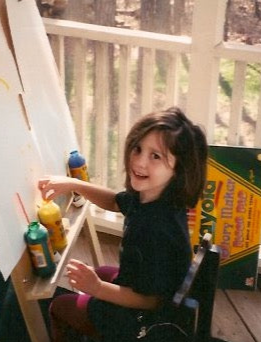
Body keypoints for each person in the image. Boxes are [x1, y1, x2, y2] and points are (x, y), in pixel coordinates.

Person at [38, 106, 208, 342]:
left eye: (155, 156)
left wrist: (97, 289)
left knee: (59, 307)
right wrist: (73, 184)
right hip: (146, 285)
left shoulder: (155, 229)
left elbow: (152, 300)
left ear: (179, 169)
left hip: (144, 320)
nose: (139, 161)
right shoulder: (156, 196)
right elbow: (116, 202)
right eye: (138, 149)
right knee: (100, 273)